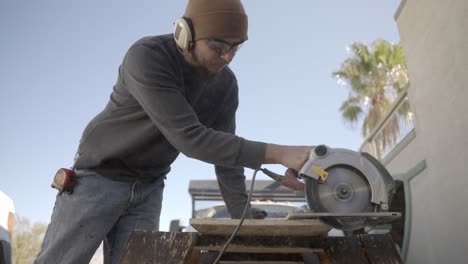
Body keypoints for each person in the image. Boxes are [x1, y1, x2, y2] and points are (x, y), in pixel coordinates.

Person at [35, 0, 312, 263]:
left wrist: (247, 225)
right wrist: (280, 153)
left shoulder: (226, 85)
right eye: (217, 45)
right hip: (98, 178)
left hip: (149, 187)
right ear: (185, 34)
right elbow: (191, 139)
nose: (227, 56)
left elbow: (227, 160)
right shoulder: (148, 57)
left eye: (235, 47)